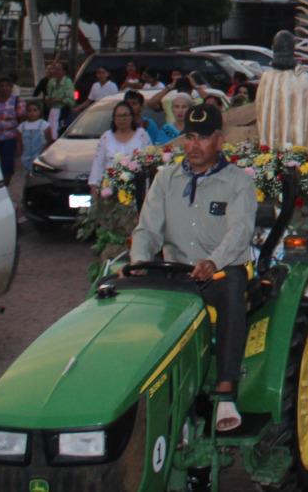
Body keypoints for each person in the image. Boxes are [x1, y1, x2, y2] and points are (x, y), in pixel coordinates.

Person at [129, 103, 256, 433]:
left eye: (202, 138)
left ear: (218, 139)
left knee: (231, 288)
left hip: (219, 270)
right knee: (125, 292)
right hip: (177, 271)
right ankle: (156, 391)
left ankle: (226, 391)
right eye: (189, 138)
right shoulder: (165, 178)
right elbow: (147, 229)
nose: (194, 146)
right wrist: (139, 262)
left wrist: (212, 261)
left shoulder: (237, 183)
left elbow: (239, 232)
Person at [88, 101, 151, 195]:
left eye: (125, 115)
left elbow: (149, 159)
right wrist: (94, 186)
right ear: (114, 118)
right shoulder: (106, 137)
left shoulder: (142, 135)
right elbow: (98, 164)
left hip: (137, 188)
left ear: (132, 117)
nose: (122, 119)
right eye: (119, 116)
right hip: (110, 189)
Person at [17, 99, 53, 176]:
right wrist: (20, 155)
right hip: (26, 157)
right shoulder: (22, 127)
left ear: (39, 111)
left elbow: (49, 142)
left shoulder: (45, 125)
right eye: (29, 110)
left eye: (35, 110)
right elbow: (19, 143)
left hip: (39, 156)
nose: (32, 113)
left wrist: (43, 155)